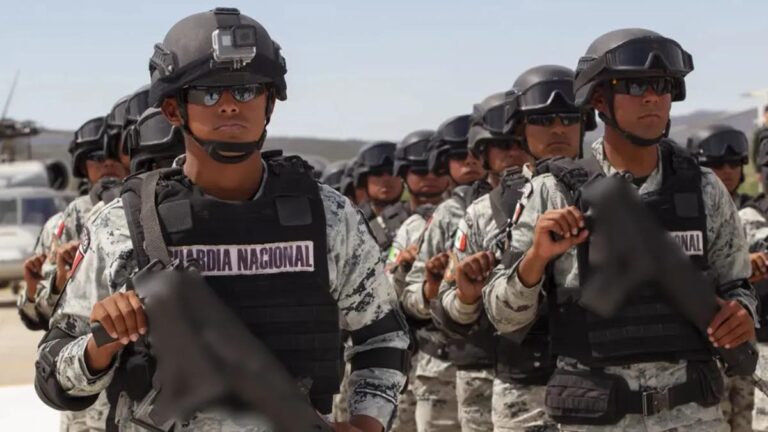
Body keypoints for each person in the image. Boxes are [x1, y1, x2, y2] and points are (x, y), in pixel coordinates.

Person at [35, 8, 409, 432]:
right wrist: (99, 345)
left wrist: (367, 422)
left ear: (269, 102)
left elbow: (384, 336)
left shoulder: (330, 218)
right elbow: (52, 374)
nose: (231, 105)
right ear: (173, 109)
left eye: (247, 89)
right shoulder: (124, 226)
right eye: (210, 93)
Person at [483, 28, 757, 431]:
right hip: (596, 416)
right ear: (598, 100)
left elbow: (737, 285)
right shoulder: (554, 191)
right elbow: (503, 317)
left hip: (693, 415)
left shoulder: (703, 188)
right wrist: (536, 259)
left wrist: (743, 313)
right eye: (634, 85)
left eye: (662, 86)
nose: (652, 98)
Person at [442, 65, 593, 431]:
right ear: (520, 129)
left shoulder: (616, 193)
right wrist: (466, 297)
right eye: (542, 120)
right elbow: (450, 313)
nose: (557, 129)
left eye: (568, 118)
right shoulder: (485, 212)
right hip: (524, 394)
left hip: (601, 387)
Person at [402, 114, 486, 431]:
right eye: (459, 155)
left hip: (508, 366)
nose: (470, 161)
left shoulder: (516, 204)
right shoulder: (443, 216)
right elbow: (410, 297)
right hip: (444, 369)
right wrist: (430, 289)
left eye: (477, 152)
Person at [687, 124, 768, 432]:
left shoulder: (749, 211)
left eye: (734, 164)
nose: (728, 171)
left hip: (743, 343)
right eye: (718, 164)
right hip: (706, 346)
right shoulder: (688, 215)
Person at [386, 129, 450, 432]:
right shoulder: (402, 226)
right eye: (420, 171)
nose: (430, 177)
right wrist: (403, 265)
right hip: (412, 351)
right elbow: (385, 294)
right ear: (403, 174)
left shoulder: (461, 214)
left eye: (438, 170)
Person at [353, 141, 408, 253]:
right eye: (377, 173)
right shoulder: (352, 222)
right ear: (364, 180)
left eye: (392, 172)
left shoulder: (415, 217)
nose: (386, 179)